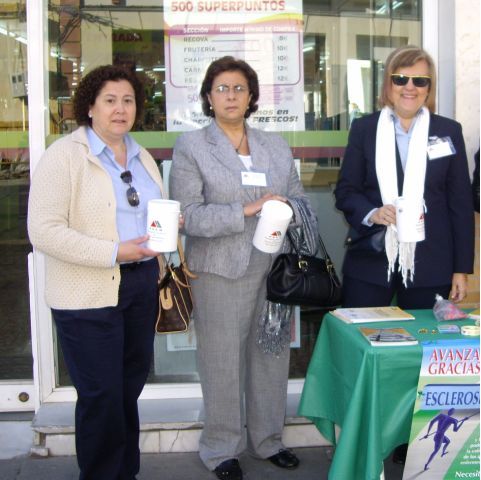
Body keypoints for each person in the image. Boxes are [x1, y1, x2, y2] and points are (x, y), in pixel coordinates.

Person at [169, 56, 313, 480]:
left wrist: (289, 208)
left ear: (251, 97)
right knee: (221, 361)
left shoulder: (275, 144)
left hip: (275, 270)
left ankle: (268, 441)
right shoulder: (192, 146)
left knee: (270, 357)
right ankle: (221, 449)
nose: (230, 96)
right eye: (221, 89)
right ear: (208, 98)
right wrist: (249, 208)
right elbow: (189, 215)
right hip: (219, 270)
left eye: (239, 89)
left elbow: (299, 198)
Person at [28, 65, 166, 480]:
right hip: (86, 292)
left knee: (127, 391)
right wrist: (113, 251)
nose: (120, 109)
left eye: (128, 100)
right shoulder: (64, 156)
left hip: (140, 284)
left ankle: (126, 472)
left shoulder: (142, 156)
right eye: (110, 100)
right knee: (101, 395)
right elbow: (43, 232)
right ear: (90, 107)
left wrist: (161, 248)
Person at [335, 45, 474, 310]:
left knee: (423, 345)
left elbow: (460, 206)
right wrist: (372, 212)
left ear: (428, 88)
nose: (410, 87)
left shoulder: (448, 131)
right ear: (388, 84)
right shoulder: (364, 129)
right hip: (371, 263)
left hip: (431, 265)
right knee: (361, 340)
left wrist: (461, 270)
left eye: (420, 81)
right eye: (401, 79)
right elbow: (346, 190)